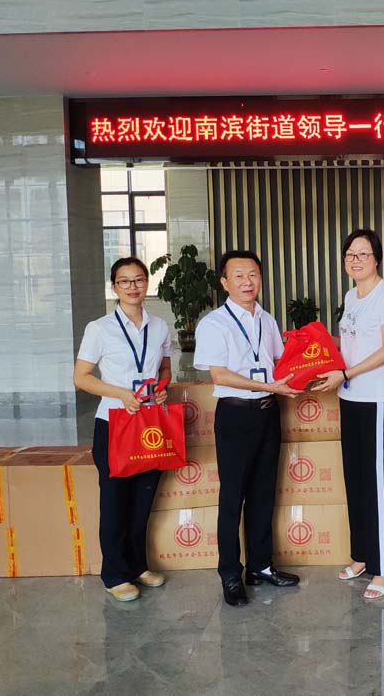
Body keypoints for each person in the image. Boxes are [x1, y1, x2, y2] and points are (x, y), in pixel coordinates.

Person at [193, 249, 301, 607]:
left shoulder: (267, 320)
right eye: (238, 275)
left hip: (269, 414)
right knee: (232, 497)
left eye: (253, 274)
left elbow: (279, 362)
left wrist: (310, 364)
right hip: (235, 415)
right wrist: (269, 385)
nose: (247, 282)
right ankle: (230, 573)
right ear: (224, 282)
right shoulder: (214, 324)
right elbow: (220, 375)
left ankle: (260, 566)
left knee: (263, 493)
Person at [313, 228, 384, 600]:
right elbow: (350, 344)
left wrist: (346, 373)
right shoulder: (351, 296)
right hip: (350, 397)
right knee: (356, 479)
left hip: (377, 401)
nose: (356, 260)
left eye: (363, 254)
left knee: (378, 482)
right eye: (350, 254)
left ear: (377, 259)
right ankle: (364, 555)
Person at [74, 257, 172, 602]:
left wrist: (162, 386)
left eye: (139, 279)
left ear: (147, 283)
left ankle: (138, 566)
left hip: (150, 424)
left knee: (143, 498)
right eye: (124, 281)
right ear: (114, 286)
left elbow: (165, 368)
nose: (133, 287)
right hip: (114, 422)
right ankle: (114, 574)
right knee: (116, 500)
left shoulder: (159, 326)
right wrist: (120, 394)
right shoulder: (99, 328)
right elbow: (81, 377)